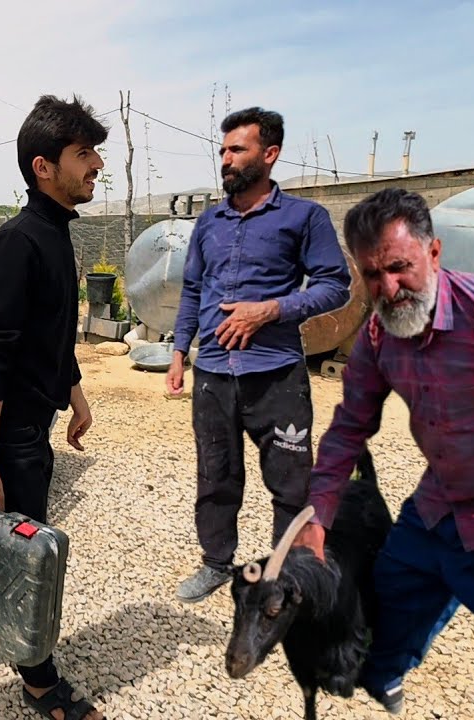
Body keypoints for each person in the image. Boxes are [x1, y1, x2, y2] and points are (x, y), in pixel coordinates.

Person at [293, 188, 474, 719]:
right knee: (390, 590)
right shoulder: (380, 334)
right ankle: (385, 680)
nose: (389, 287)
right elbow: (348, 428)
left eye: (400, 267)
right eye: (372, 275)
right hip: (445, 504)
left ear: (435, 252)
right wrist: (319, 515)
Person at [0, 94, 107, 720]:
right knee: (25, 560)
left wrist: (73, 394)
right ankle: (39, 681)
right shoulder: (18, 243)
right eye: (84, 154)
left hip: (31, 422)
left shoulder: (55, 234)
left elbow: (48, 332)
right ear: (44, 166)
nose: (97, 164)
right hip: (7, 435)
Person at [167, 107, 351, 603]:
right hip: (213, 375)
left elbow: (336, 286)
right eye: (223, 151)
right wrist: (181, 350)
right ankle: (215, 562)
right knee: (216, 475)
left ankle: (285, 576)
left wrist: (270, 309)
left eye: (237, 150)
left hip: (276, 376)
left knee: (291, 484)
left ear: (269, 155)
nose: (225, 160)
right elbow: (192, 289)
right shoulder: (209, 222)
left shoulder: (304, 218)